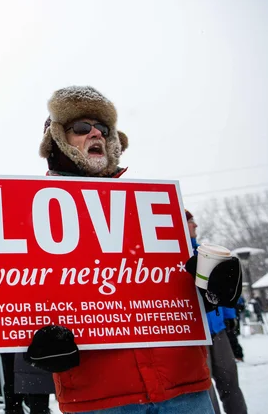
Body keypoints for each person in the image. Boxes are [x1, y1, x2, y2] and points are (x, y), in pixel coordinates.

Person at [22, 86, 243, 413]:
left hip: (186, 391)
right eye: (81, 128)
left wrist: (214, 289)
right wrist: (36, 343)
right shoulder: (28, 216)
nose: (95, 132)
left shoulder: (157, 209)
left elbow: (177, 293)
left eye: (103, 129)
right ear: (58, 140)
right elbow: (16, 302)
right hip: (98, 398)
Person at [186, 210, 247, 413]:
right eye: (190, 222)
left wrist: (230, 317)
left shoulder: (206, 253)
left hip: (217, 330)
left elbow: (224, 291)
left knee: (229, 381)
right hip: (194, 334)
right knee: (205, 389)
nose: (195, 225)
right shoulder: (173, 254)